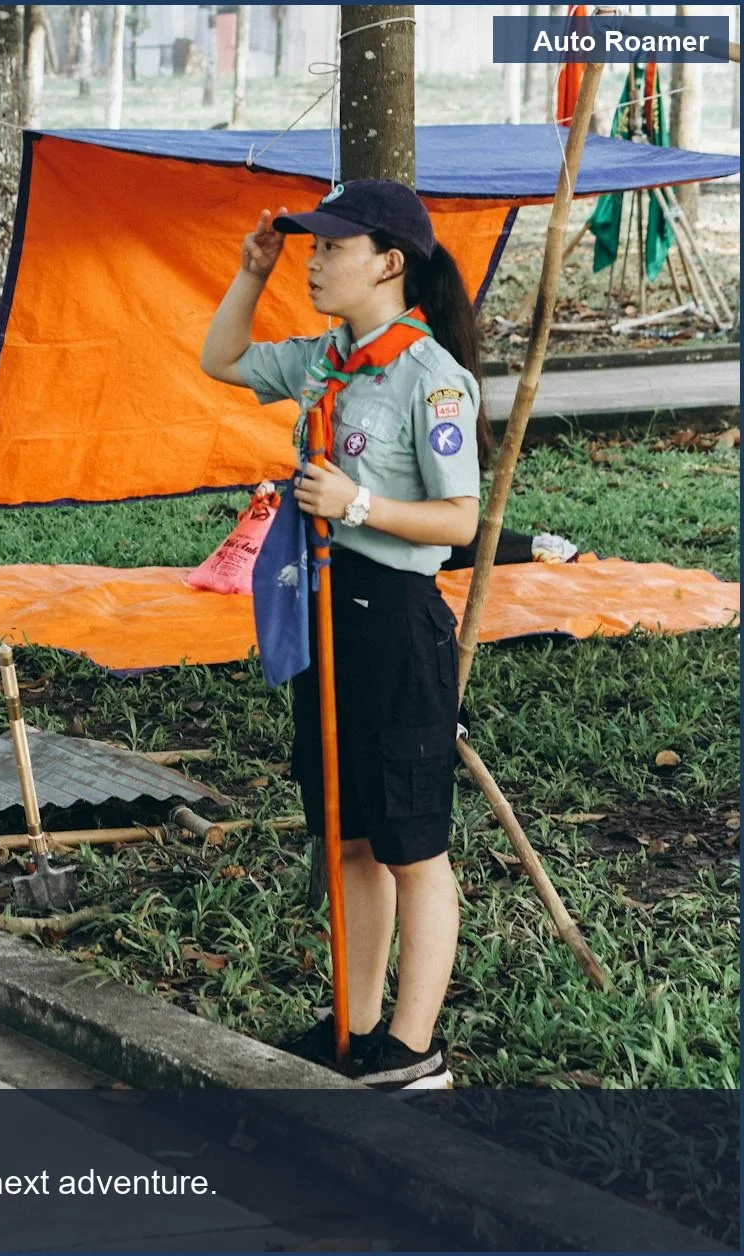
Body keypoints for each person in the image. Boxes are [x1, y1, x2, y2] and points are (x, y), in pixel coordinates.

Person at [200, 179, 487, 1090]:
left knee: (414, 846)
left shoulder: (430, 378)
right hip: (327, 614)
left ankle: (414, 1050)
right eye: (311, 246)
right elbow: (221, 357)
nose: (314, 262)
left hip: (396, 622)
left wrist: (357, 503)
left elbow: (460, 521)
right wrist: (251, 274)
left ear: (389, 262)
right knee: (351, 838)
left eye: (331, 247)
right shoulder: (326, 358)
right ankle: (356, 1029)